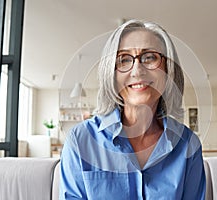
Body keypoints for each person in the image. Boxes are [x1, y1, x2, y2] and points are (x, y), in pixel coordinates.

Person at [60, 19, 206, 200]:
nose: (137, 71)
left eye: (150, 57)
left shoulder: (188, 145)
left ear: (168, 70)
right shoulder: (80, 140)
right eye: (124, 59)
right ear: (111, 74)